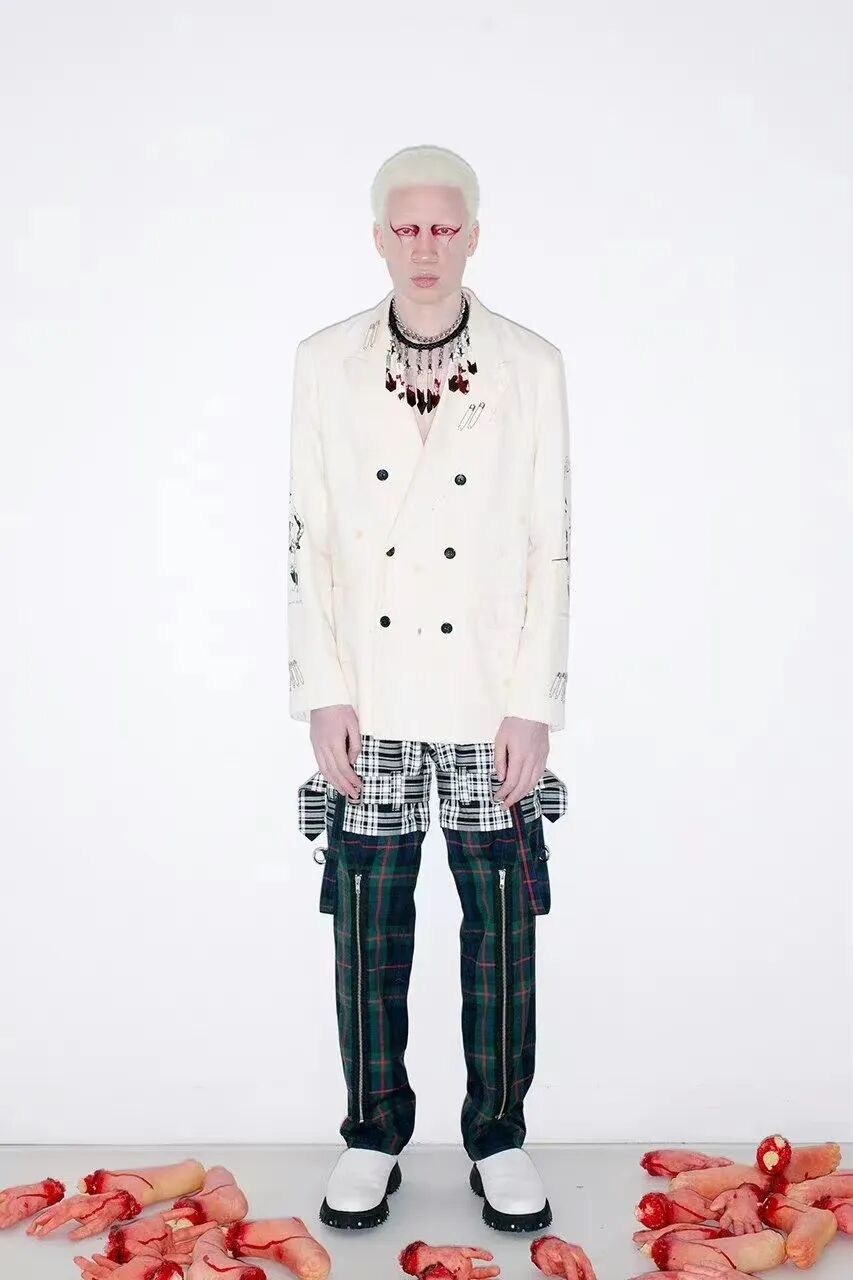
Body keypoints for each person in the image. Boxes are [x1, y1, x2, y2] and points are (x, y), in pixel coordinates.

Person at [288, 144, 571, 1235]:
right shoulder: (324, 362)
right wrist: (322, 690)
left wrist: (533, 702)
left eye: (443, 227)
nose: (424, 246)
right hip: (371, 696)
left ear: (473, 236)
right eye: (405, 228)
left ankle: (498, 1133)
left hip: (486, 697)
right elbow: (307, 540)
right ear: (377, 237)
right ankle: (372, 1131)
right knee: (367, 925)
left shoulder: (529, 365)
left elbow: (550, 546)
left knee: (501, 925)